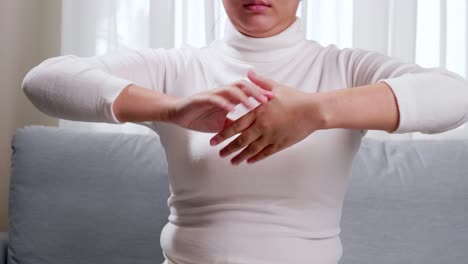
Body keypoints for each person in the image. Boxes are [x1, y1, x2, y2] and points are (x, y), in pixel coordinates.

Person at [22, 0, 468, 263]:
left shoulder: (344, 67)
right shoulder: (179, 67)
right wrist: (174, 108)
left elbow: (454, 96)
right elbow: (44, 81)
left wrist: (315, 111)